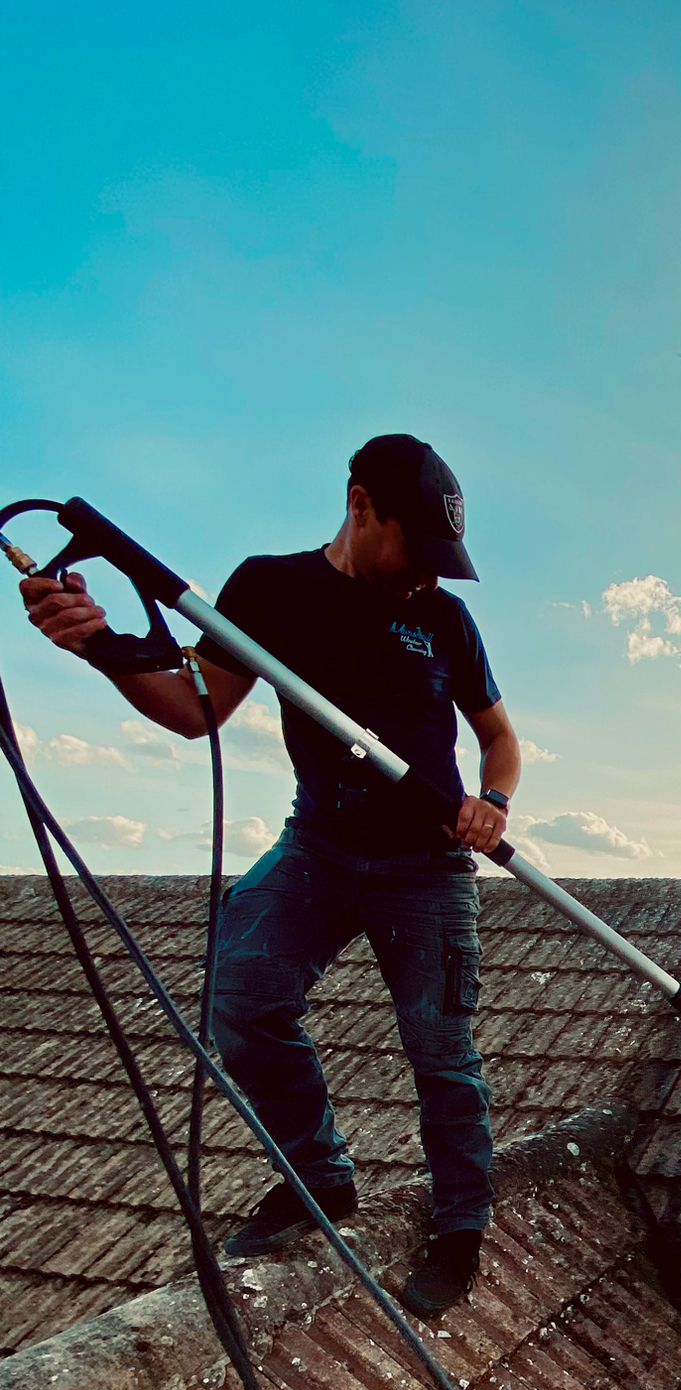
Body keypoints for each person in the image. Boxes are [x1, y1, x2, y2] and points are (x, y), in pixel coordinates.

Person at [20, 434, 521, 1317]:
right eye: (418, 548)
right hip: (319, 849)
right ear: (362, 506)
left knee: (442, 1055)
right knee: (243, 997)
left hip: (429, 868)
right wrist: (100, 647)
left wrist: (493, 800)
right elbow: (195, 709)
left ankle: (460, 1225)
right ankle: (319, 1178)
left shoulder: (443, 616)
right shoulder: (270, 589)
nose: (426, 575)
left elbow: (500, 739)